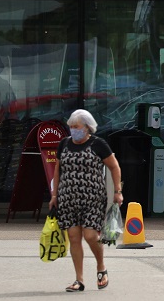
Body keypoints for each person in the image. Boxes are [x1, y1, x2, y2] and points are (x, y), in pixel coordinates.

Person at [49, 109, 123, 293]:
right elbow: (57, 170)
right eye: (71, 127)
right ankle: (79, 280)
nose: (73, 130)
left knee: (90, 236)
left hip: (93, 198)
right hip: (67, 199)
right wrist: (54, 195)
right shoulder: (64, 144)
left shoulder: (98, 144)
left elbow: (114, 167)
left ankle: (101, 267)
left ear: (87, 127)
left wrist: (117, 191)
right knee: (74, 238)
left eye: (77, 127)